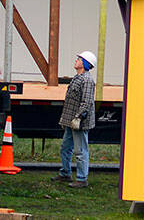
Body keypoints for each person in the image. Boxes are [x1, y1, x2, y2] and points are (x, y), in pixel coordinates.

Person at [53, 50, 96, 188]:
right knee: (65, 148)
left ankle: (82, 179)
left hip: (79, 122)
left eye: (79, 59)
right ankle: (65, 173)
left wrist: (78, 117)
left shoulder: (87, 80)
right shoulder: (78, 78)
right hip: (71, 121)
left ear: (84, 64)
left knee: (80, 151)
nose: (76, 60)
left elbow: (87, 102)